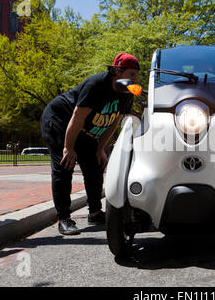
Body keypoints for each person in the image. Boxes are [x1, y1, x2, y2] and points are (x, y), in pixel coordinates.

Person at [40, 53, 140, 235]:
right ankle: (64, 219)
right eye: (132, 74)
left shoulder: (127, 92)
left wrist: (100, 148)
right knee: (65, 166)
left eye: (136, 75)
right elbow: (77, 117)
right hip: (60, 121)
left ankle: (95, 213)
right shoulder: (96, 85)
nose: (135, 79)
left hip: (85, 130)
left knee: (95, 166)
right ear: (118, 71)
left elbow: (114, 122)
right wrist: (68, 148)